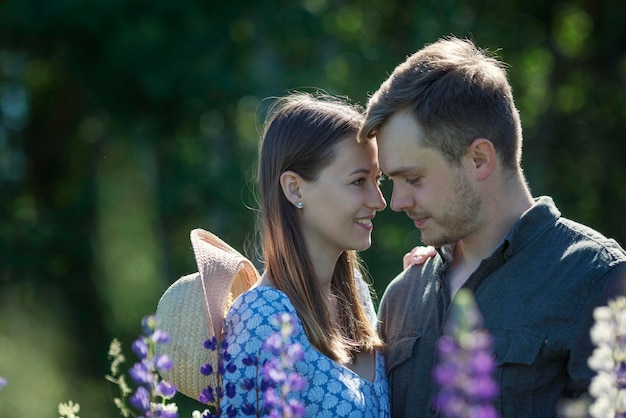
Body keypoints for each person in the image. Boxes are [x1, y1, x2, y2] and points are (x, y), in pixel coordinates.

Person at [358, 36, 626, 417]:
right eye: (391, 182)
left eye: (413, 179)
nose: (396, 202)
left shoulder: (597, 278)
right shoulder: (403, 295)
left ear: (479, 159)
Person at [220, 92, 390, 417]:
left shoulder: (356, 296)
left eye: (377, 180)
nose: (378, 201)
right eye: (358, 182)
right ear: (295, 189)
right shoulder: (261, 317)